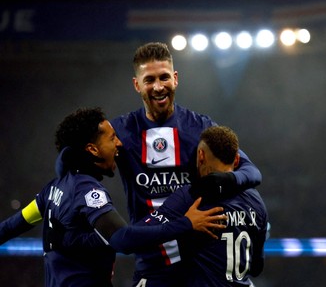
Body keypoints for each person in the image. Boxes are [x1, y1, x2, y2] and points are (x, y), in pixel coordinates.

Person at [0, 107, 227, 286]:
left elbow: (10, 226)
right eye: (111, 139)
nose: (119, 144)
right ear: (93, 149)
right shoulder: (89, 192)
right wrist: (186, 224)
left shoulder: (52, 190)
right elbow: (123, 239)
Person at [110, 41, 263, 286]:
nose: (158, 87)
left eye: (164, 77)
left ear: (176, 78)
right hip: (152, 271)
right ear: (137, 84)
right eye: (149, 80)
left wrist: (222, 181)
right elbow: (75, 157)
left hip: (200, 269)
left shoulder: (200, 127)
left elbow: (251, 171)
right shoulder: (120, 131)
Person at [141, 125, 269, 286]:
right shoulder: (256, 201)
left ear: (200, 155)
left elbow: (136, 238)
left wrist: (184, 224)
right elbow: (257, 267)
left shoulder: (193, 196)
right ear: (237, 159)